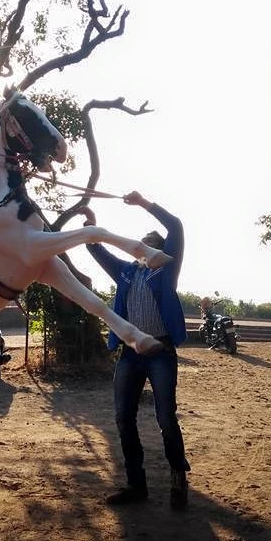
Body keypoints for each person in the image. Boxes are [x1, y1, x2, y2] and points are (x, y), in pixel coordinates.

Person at [84, 191, 190, 509]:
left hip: (161, 352)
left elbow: (176, 227)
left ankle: (178, 477)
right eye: (138, 247)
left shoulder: (166, 267)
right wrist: (92, 226)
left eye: (146, 246)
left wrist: (144, 203)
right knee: (122, 417)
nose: (139, 250)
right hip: (130, 355)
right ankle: (136, 484)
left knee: (165, 417)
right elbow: (97, 251)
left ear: (158, 251)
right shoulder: (127, 271)